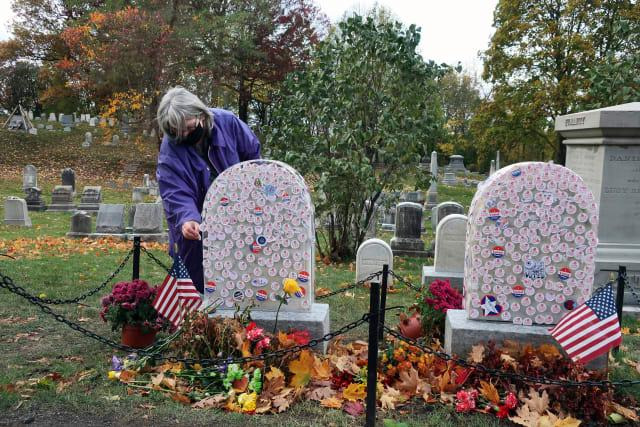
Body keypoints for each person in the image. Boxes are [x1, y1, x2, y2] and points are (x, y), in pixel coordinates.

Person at [156, 87, 261, 292]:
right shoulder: (170, 149)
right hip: (199, 224)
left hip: (239, 217)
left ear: (201, 115)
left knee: (244, 275)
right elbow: (174, 190)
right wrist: (188, 219)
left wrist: (252, 197)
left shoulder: (228, 122)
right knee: (201, 284)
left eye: (188, 127)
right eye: (177, 132)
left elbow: (253, 159)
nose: (184, 135)